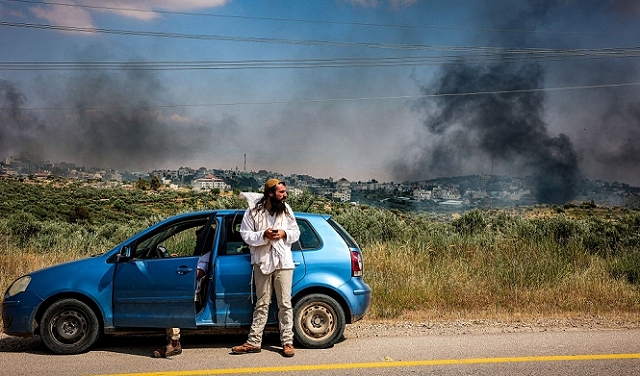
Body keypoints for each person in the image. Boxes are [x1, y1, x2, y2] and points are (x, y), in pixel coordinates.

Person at [231, 178, 300, 358]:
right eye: (281, 192)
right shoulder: (253, 212)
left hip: (283, 263)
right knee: (262, 303)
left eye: (285, 192)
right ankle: (254, 341)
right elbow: (245, 235)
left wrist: (284, 233)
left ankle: (287, 342)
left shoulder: (286, 210)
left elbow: (296, 233)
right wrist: (264, 235)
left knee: (285, 303)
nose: (285, 195)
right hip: (262, 262)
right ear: (270, 193)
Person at [152, 227, 210, 358]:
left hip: (192, 293)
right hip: (189, 289)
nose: (198, 243)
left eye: (200, 240)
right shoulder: (203, 255)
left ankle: (174, 343)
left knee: (172, 305)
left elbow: (197, 274)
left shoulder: (208, 256)